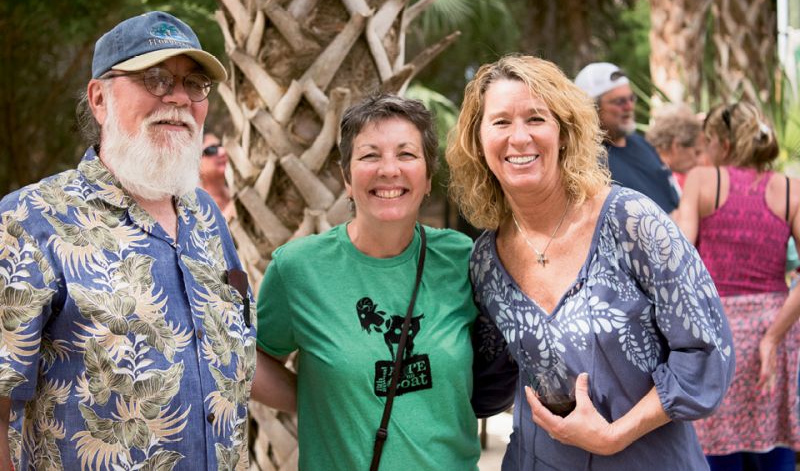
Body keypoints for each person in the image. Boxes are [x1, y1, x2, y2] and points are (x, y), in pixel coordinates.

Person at [447, 54, 734, 470]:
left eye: (536, 118)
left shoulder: (631, 222)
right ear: (478, 141)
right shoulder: (486, 263)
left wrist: (616, 435)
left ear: (564, 132)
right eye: (501, 122)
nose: (520, 137)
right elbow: (484, 384)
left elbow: (707, 352)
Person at [0, 11, 257, 468]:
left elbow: (226, 358)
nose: (178, 98)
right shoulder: (29, 220)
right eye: (155, 79)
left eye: (194, 84)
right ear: (99, 98)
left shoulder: (207, 216)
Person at [254, 94, 515, 470]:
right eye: (370, 155)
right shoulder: (298, 269)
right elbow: (255, 361)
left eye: (407, 155)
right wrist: (320, 398)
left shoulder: (463, 259)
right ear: (346, 177)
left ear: (428, 179)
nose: (389, 169)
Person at [676, 101, 800, 470]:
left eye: (708, 142)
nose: (704, 152)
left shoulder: (704, 180)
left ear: (724, 145)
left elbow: (680, 260)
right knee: (772, 448)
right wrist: (772, 337)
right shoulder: (791, 190)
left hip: (718, 333)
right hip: (773, 329)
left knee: (715, 451)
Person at [575, 62, 679, 213]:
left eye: (631, 98)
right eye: (620, 102)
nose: (629, 107)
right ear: (591, 108)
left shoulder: (641, 142)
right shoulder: (588, 161)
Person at [645, 103, 704, 190]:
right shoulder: (656, 181)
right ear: (677, 146)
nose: (699, 161)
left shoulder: (649, 168)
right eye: (697, 152)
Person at [200, 132, 235, 220]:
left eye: (221, 145)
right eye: (211, 150)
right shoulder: (198, 208)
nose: (223, 151)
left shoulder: (233, 188)